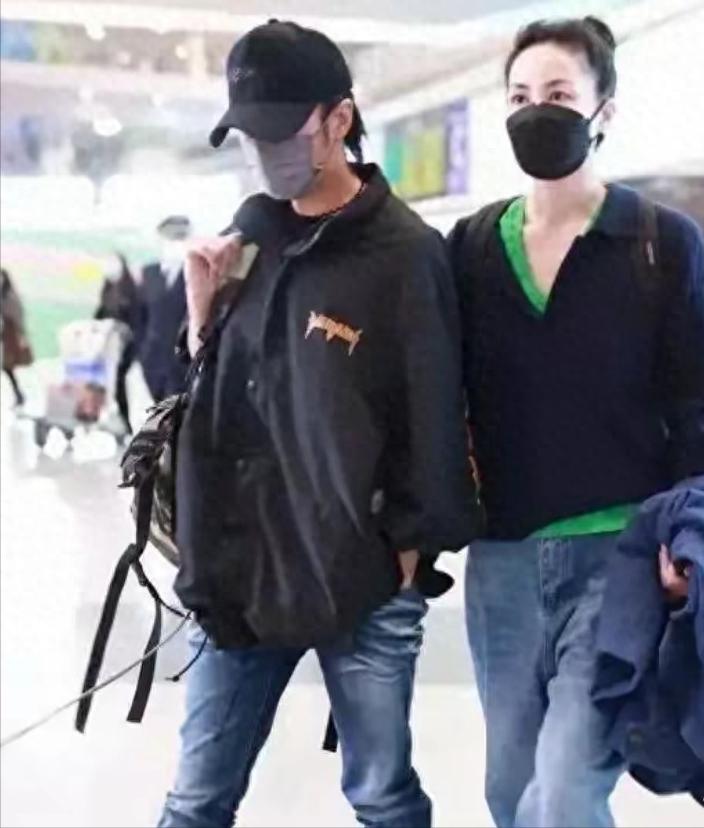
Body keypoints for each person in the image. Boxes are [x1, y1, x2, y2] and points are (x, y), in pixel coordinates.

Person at [158, 20, 480, 828]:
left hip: (360, 579)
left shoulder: (404, 254)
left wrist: (407, 553)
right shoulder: (245, 240)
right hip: (239, 570)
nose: (265, 153)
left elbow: (435, 414)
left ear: (339, 119)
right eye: (249, 136)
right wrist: (200, 321)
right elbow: (210, 402)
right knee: (195, 800)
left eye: (281, 131)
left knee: (381, 795)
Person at [447, 17, 704, 828]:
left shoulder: (659, 243)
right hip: (501, 561)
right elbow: (429, 391)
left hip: (621, 556)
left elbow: (699, 411)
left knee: (568, 787)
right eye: (518, 97)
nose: (535, 111)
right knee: (510, 792)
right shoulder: (470, 248)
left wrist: (692, 542)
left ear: (602, 110)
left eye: (557, 93)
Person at [139, 215, 191, 402]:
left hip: (183, 360)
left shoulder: (195, 273)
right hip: (153, 359)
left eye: (180, 238)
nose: (176, 244)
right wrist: (142, 351)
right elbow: (141, 315)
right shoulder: (149, 273)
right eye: (171, 238)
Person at [94, 252, 145, 433]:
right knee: (108, 383)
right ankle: (113, 420)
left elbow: (137, 320)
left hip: (125, 346)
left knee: (119, 383)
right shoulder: (107, 288)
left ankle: (126, 422)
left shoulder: (131, 291)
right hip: (108, 344)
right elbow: (101, 312)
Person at [1, 268, 32, 408]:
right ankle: (18, 394)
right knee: (7, 367)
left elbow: (17, 316)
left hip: (10, 332)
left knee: (8, 366)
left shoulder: (10, 297)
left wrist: (22, 335)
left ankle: (19, 394)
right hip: (5, 330)